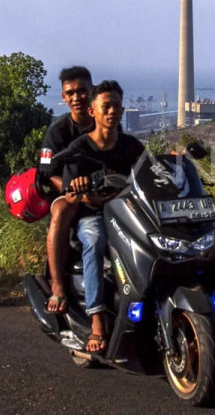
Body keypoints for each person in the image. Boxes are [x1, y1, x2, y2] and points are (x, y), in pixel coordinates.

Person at [62, 80, 145, 353]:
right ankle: (96, 320)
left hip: (127, 213)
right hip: (94, 215)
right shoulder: (79, 149)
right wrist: (79, 189)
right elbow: (70, 193)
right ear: (93, 112)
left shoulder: (132, 146)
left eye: (117, 107)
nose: (113, 112)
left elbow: (151, 173)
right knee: (95, 241)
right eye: (106, 107)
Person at [39, 66, 94, 313]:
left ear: (91, 92)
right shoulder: (58, 131)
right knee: (61, 212)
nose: (76, 97)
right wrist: (74, 192)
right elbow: (48, 174)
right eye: (70, 93)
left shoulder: (103, 124)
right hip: (69, 193)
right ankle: (58, 286)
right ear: (63, 97)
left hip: (103, 191)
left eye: (82, 91)